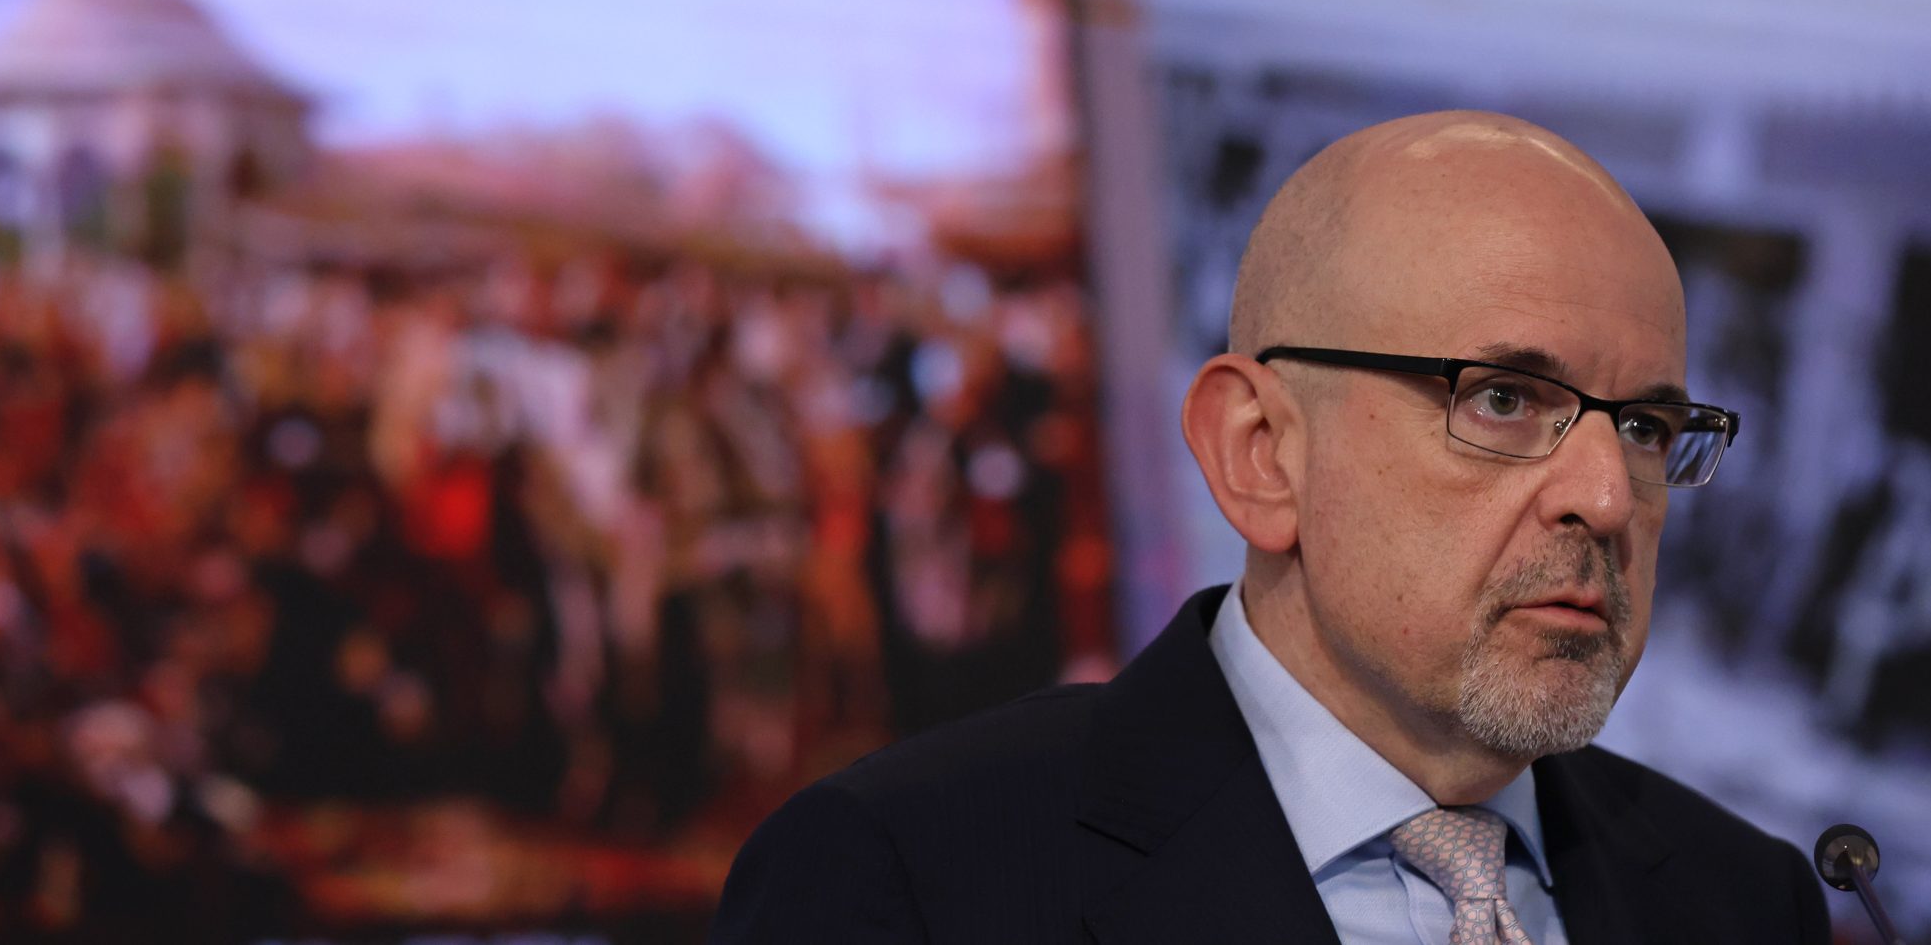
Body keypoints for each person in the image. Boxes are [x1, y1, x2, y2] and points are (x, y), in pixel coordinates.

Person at [711, 112, 1831, 944]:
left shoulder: (1745, 901)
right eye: (1502, 398)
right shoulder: (912, 877)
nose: (1607, 494)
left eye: (1644, 427)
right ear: (1259, 451)